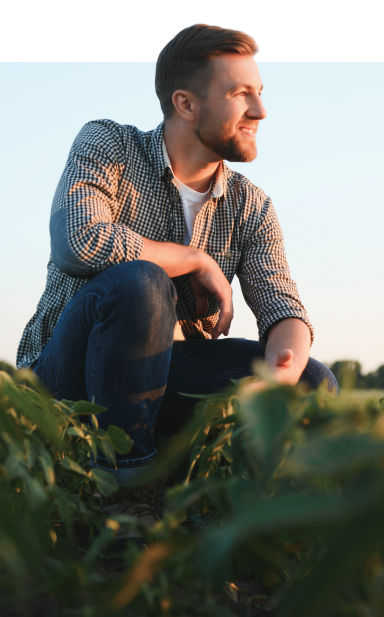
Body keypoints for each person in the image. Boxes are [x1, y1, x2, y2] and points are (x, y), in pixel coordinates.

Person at [17, 24, 338, 529]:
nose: (260, 111)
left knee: (313, 378)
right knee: (141, 282)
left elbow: (284, 308)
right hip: (68, 381)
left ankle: (244, 511)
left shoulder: (251, 205)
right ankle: (130, 493)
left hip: (162, 386)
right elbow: (79, 242)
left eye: (260, 93)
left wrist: (283, 366)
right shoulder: (110, 146)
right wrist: (194, 258)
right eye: (240, 94)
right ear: (185, 104)